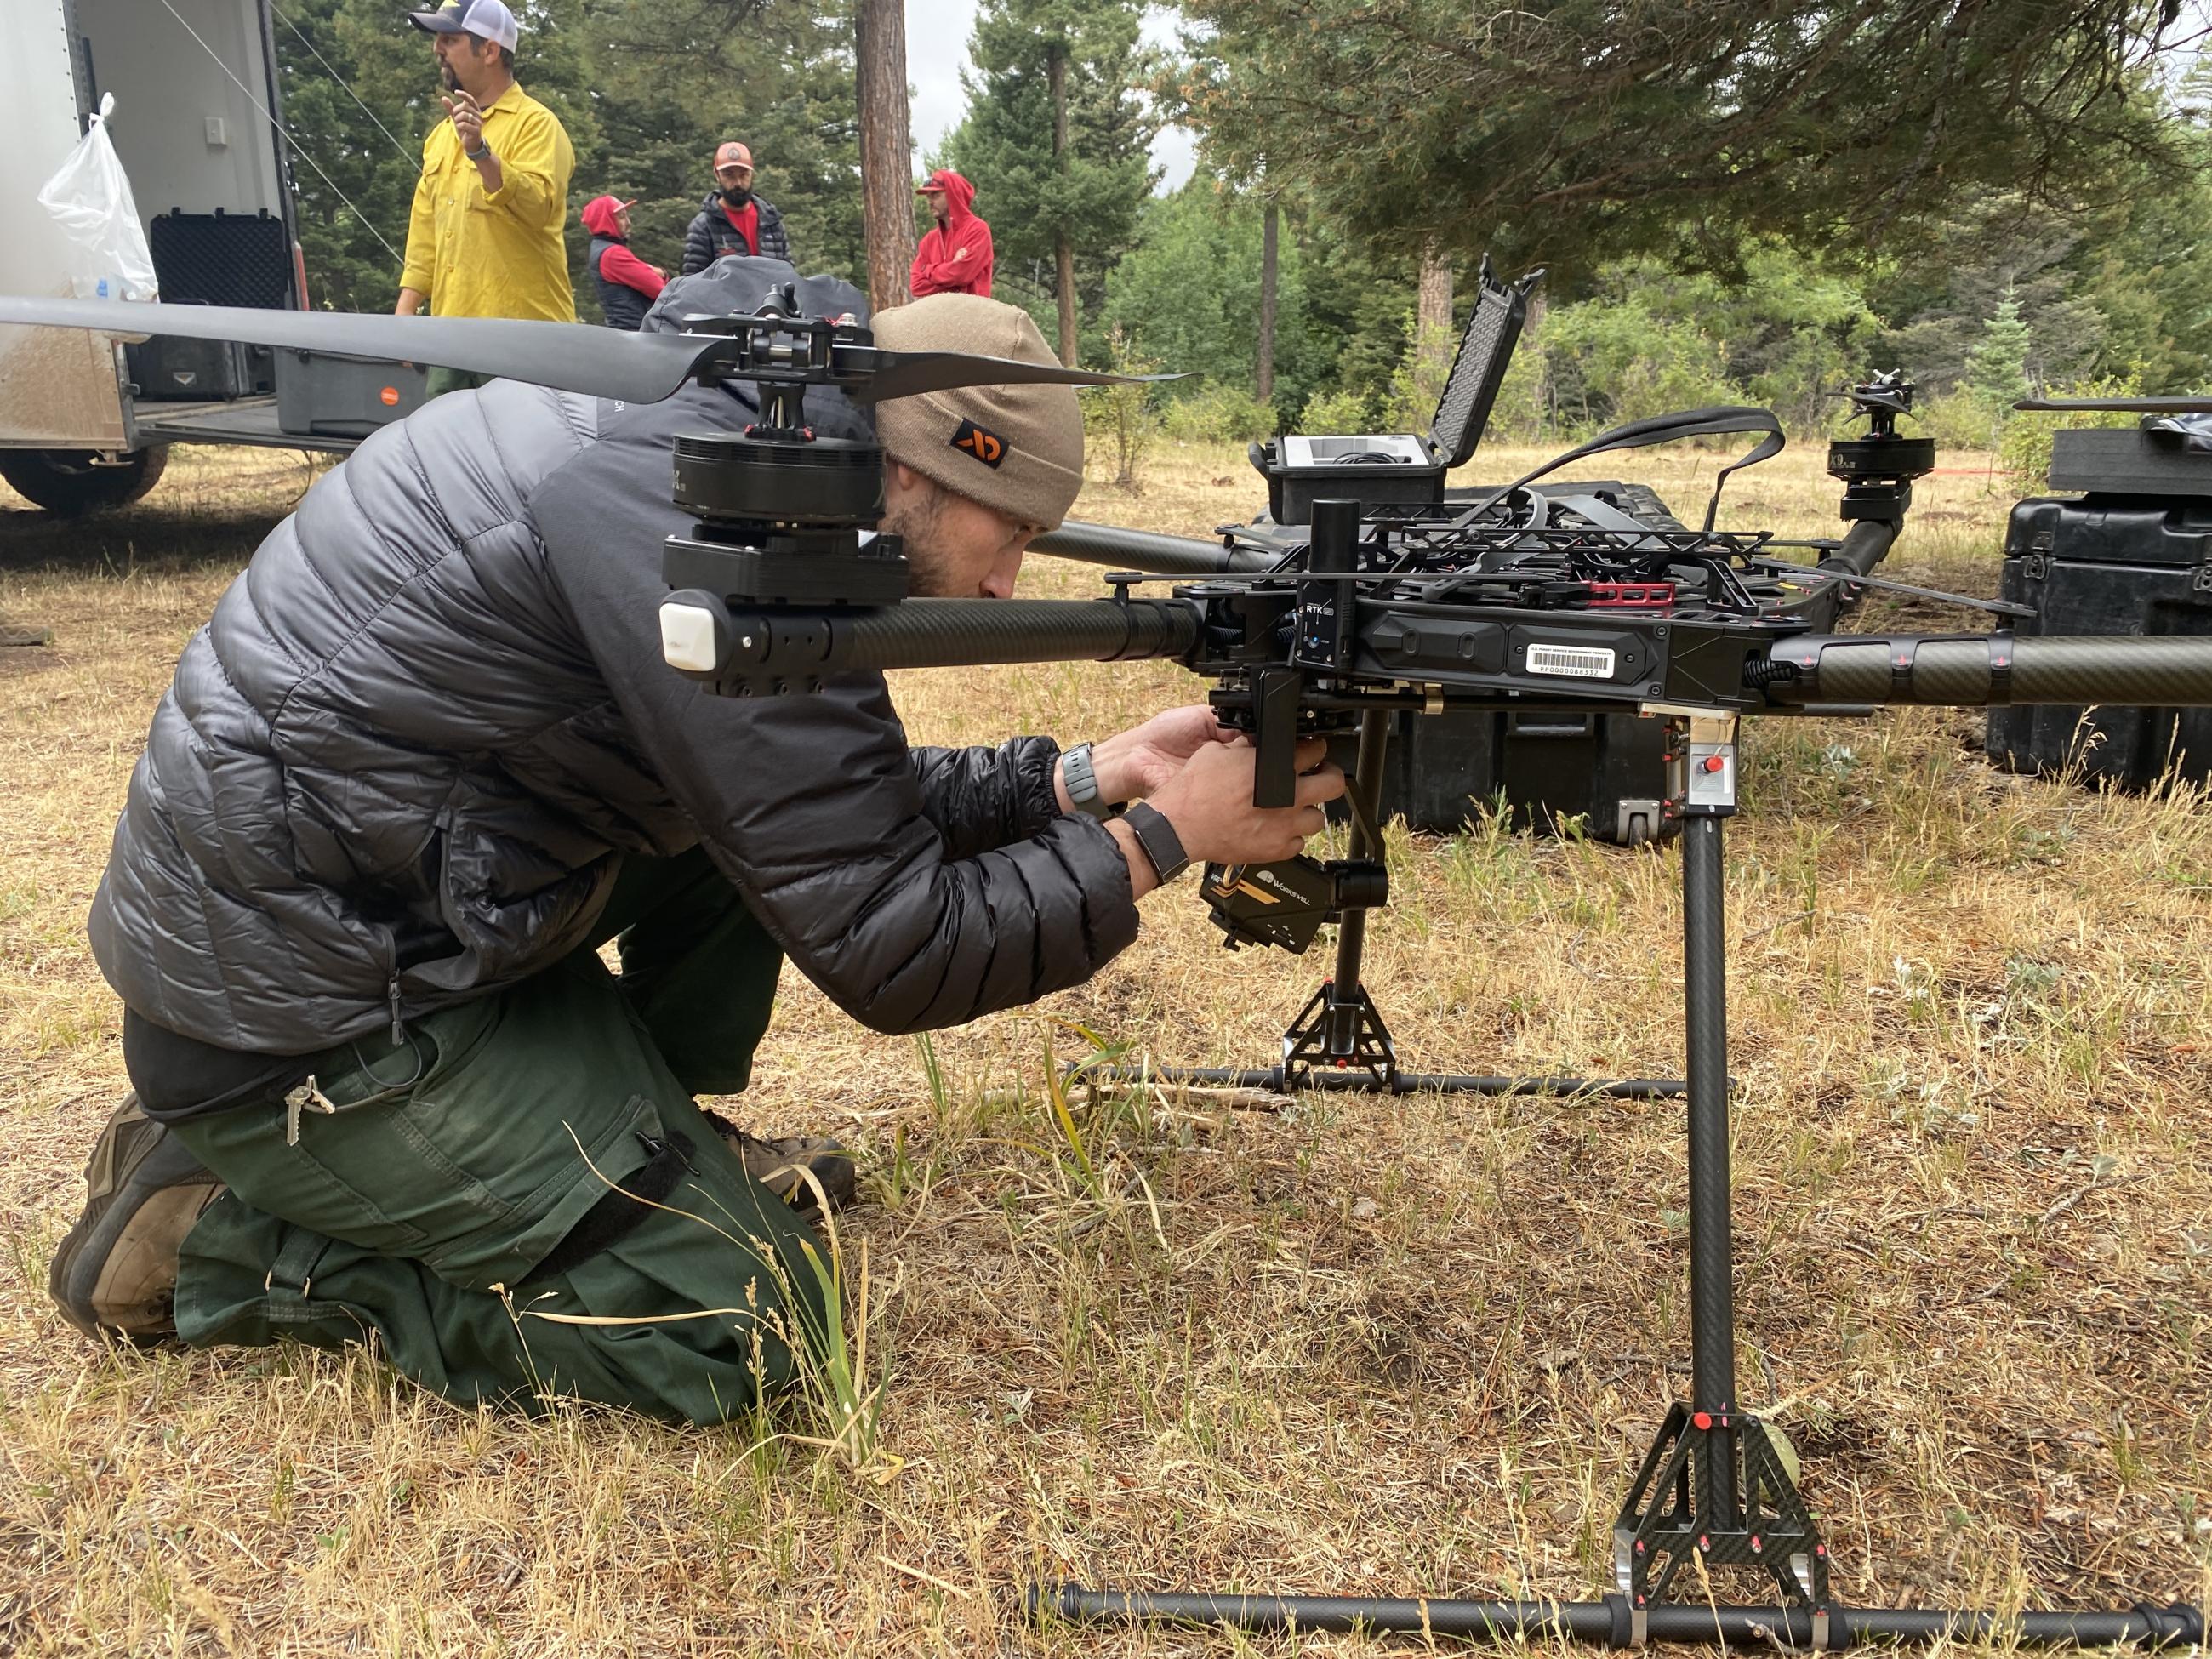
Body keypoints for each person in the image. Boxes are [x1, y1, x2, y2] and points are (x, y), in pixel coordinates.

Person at [48, 264, 1343, 1428]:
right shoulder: (728, 539)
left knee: (742, 858)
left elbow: (825, 809)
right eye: (1005, 534)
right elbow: (898, 951)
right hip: (310, 1011)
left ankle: (626, 1140)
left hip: (383, 908)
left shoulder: (738, 458)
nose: (1007, 582)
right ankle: (223, 1227)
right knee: (750, 1326)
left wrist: (1087, 777)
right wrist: (1168, 840)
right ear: (923, 464)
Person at [395, 0, 576, 394]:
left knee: (528, 453)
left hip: (525, 341)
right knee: (447, 452)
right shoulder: (441, 137)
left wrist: (481, 153)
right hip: (452, 342)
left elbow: (540, 206)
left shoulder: (538, 125)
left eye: (449, 39)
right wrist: (407, 308)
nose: (436, 49)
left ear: (490, 50)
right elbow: (427, 232)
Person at [681, 142, 791, 275]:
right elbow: (692, 283)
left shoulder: (772, 221)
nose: (738, 183)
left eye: (744, 175)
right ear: (717, 175)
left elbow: (788, 274)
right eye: (729, 175)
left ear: (752, 174)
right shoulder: (703, 227)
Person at [580, 194, 665, 331]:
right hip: (634, 331)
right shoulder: (613, 254)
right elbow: (659, 289)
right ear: (605, 221)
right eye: (621, 217)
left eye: (626, 216)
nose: (628, 222)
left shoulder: (601, 248)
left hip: (623, 329)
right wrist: (662, 274)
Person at [910, 169, 993, 299]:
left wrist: (928, 270)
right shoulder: (929, 240)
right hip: (938, 317)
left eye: (935, 195)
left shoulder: (977, 230)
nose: (930, 202)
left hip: (972, 315)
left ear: (953, 195)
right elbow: (916, 285)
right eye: (929, 197)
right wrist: (950, 271)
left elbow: (961, 275)